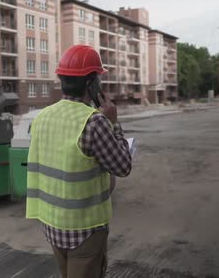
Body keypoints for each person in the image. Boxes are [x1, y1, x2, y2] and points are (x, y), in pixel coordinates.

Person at [26, 45, 133, 278]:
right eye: (98, 78)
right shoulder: (95, 123)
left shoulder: (42, 118)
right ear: (91, 84)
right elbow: (123, 166)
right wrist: (113, 122)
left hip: (51, 223)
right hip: (84, 229)